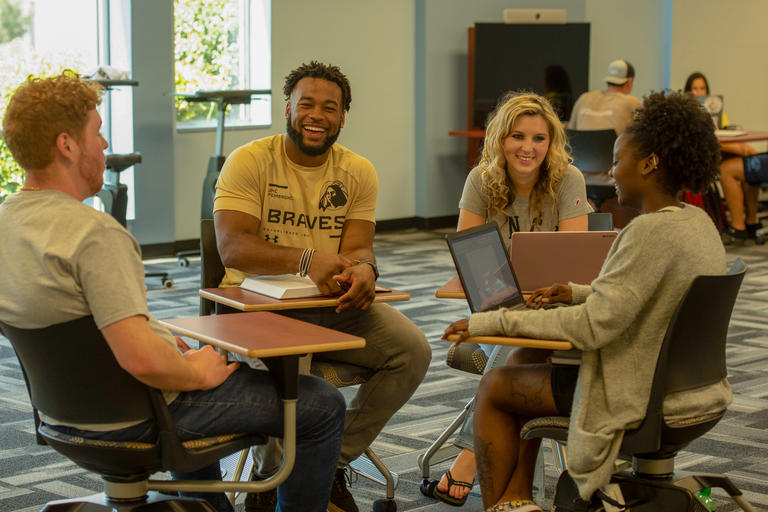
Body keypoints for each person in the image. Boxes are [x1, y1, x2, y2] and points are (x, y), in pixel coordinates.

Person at [0, 72, 347, 512]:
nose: (104, 146)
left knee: (184, 358)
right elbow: (142, 361)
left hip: (63, 419)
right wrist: (196, 372)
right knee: (321, 404)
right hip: (139, 414)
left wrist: (160, 338)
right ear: (67, 145)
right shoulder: (94, 235)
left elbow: (79, 328)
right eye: (98, 133)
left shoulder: (7, 222)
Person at [442, 91, 732, 512]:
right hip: (690, 387)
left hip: (638, 392)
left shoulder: (645, 232)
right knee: (523, 361)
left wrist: (488, 325)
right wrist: (576, 291)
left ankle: (508, 502)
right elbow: (635, 296)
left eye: (618, 160)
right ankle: (515, 503)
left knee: (494, 386)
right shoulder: (697, 223)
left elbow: (590, 327)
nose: (611, 173)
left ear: (649, 163)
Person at [212, 61, 431, 512]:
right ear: (287, 108)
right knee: (300, 366)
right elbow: (233, 249)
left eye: (329, 108)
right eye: (306, 104)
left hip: (328, 305)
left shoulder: (358, 171)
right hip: (254, 307)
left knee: (411, 350)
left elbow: (358, 248)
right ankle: (272, 482)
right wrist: (307, 259)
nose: (317, 115)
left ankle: (323, 464)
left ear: (343, 117)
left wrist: (366, 270)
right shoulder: (250, 161)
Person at [429, 92, 592, 506]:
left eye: (539, 138)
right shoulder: (481, 181)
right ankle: (522, 492)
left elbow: (574, 266)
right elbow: (467, 259)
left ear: (551, 143)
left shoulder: (568, 178)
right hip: (494, 308)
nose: (528, 147)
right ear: (501, 139)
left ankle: (468, 459)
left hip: (553, 310)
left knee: (526, 344)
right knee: (520, 344)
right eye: (517, 136)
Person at [568, 59, 642, 135]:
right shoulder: (632, 102)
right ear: (629, 82)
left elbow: (570, 133)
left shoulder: (583, 98)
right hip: (612, 147)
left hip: (580, 146)